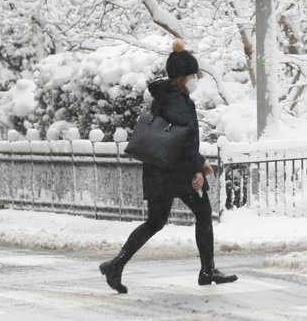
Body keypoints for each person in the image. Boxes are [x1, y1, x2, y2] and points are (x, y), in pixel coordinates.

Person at [99, 38, 237, 293]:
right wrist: (196, 170)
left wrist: (199, 162)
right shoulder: (178, 100)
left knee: (155, 222)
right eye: (194, 74)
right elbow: (183, 139)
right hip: (176, 171)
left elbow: (176, 138)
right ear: (184, 76)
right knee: (203, 213)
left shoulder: (166, 95)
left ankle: (116, 266)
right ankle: (207, 270)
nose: (196, 78)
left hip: (161, 170)